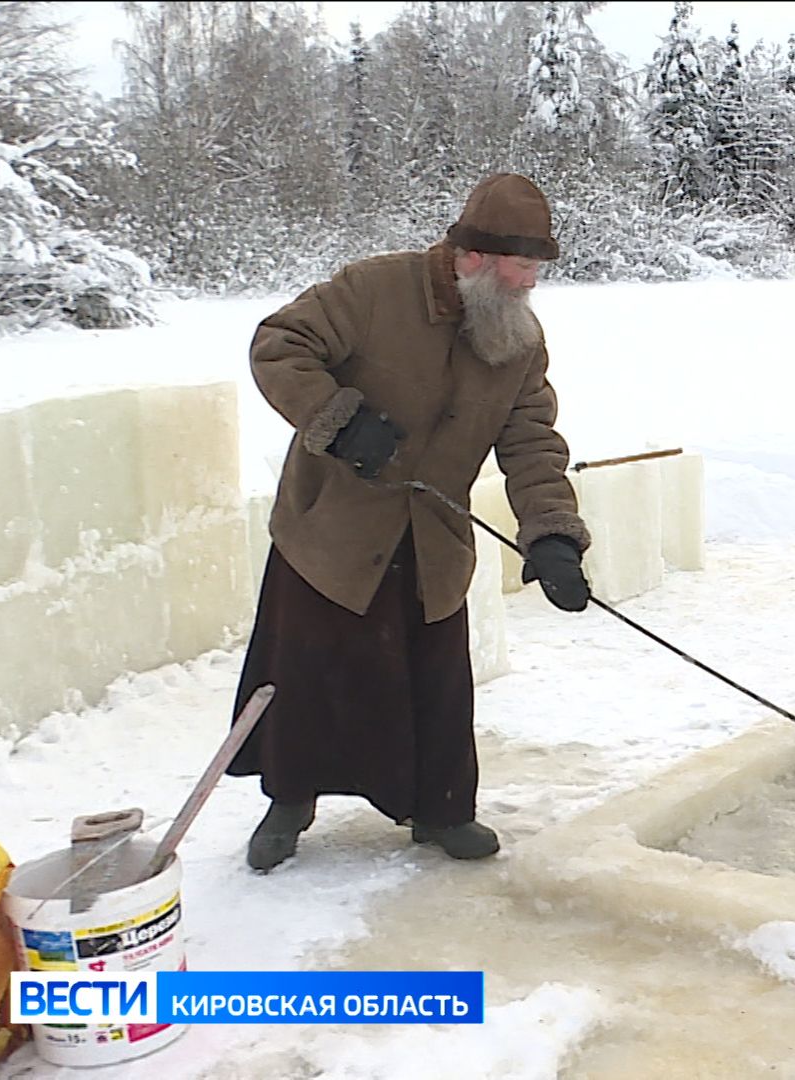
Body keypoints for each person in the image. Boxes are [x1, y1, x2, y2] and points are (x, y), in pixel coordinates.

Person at [227, 173, 595, 872]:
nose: (532, 283)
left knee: (434, 686)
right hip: (331, 531)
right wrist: (338, 420)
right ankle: (290, 803)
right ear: (478, 259)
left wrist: (551, 533)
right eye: (523, 268)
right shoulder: (372, 290)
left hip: (432, 541)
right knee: (307, 676)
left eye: (537, 269)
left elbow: (531, 441)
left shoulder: (518, 337)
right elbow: (279, 344)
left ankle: (441, 810)